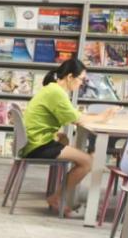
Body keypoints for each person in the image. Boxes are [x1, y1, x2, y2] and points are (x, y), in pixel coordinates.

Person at [20, 56, 119, 217]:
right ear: (70, 77)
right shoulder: (56, 93)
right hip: (38, 145)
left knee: (68, 143)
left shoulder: (52, 89)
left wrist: (96, 116)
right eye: (81, 79)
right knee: (88, 162)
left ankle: (60, 194)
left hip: (34, 141)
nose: (82, 84)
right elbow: (76, 119)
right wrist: (101, 117)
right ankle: (56, 198)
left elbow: (73, 115)